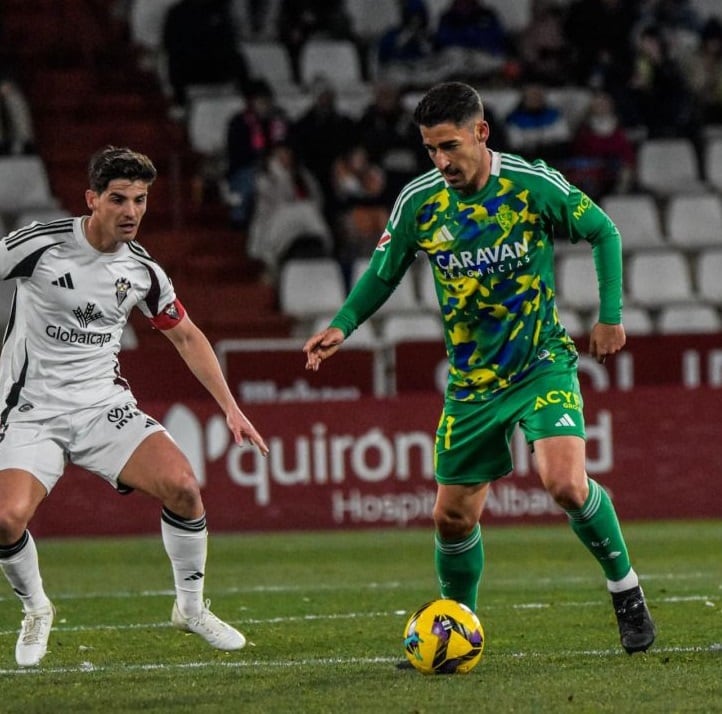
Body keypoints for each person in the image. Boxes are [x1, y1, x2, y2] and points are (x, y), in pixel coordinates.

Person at [303, 81, 656, 655]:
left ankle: (627, 591)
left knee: (564, 483)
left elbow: (603, 231)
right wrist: (344, 323)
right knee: (451, 519)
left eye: (449, 146)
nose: (441, 161)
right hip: (471, 385)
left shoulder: (529, 183)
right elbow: (384, 270)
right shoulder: (420, 200)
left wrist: (610, 315)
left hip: (541, 362)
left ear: (480, 132)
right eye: (430, 150)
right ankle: (454, 626)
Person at [0, 146, 269, 667]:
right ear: (92, 200)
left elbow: (187, 337)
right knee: (7, 520)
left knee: (184, 488)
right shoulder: (40, 244)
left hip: (103, 408)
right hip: (31, 410)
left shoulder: (143, 271)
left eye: (140, 200)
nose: (131, 212)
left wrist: (231, 407)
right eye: (119, 199)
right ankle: (36, 608)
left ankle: (190, 608)